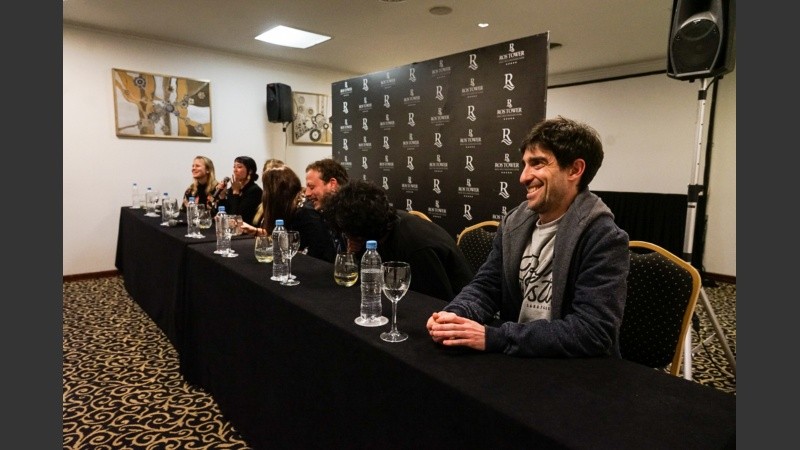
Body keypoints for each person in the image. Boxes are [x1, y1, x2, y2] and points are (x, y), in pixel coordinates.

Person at [426, 116, 630, 358]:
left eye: (538, 163)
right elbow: (487, 286)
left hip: (576, 372)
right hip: (519, 356)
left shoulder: (604, 237)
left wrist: (494, 337)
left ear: (575, 170)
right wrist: (456, 316)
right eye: (524, 164)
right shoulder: (514, 222)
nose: (523, 177)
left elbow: (593, 331)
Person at [320, 180, 473, 302]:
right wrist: (356, 252)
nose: (347, 238)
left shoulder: (415, 247)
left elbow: (435, 301)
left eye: (349, 234)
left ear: (360, 232)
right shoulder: (382, 227)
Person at [240, 165, 336, 263]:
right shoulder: (293, 209)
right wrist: (256, 231)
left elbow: (319, 251)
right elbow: (283, 237)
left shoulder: (305, 212)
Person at [304, 158, 350, 253]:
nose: (307, 193)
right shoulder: (319, 214)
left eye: (312, 187)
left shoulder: (355, 216)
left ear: (332, 184)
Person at [215, 156, 263, 226]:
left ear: (250, 171)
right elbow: (223, 214)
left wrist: (236, 192)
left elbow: (238, 217)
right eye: (234, 167)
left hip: (245, 231)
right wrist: (222, 196)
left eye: (239, 167)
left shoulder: (255, 190)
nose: (235, 170)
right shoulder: (233, 188)